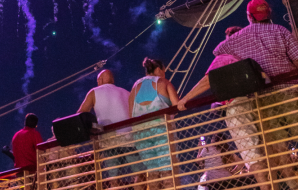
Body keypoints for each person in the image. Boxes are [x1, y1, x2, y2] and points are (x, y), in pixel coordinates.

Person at [213, 0, 298, 190]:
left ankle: (293, 187)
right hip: (290, 90)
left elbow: (218, 52)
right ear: (268, 14)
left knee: (278, 150)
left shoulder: (238, 38)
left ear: (249, 16)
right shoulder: (280, 30)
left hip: (262, 98)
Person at [177, 26, 269, 190]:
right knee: (268, 153)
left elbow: (208, 80)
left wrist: (185, 99)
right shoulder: (252, 55)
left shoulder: (226, 56)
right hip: (260, 105)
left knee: (252, 156)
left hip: (238, 107)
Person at [78, 69, 139, 185]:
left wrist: (93, 129)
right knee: (138, 173)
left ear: (99, 80)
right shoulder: (127, 92)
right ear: (113, 80)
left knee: (113, 176)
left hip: (108, 138)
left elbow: (81, 114)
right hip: (129, 136)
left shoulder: (94, 92)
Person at [130, 58, 179, 190]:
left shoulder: (135, 87)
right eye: (164, 71)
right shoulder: (163, 82)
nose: (164, 74)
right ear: (158, 70)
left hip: (141, 133)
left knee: (152, 171)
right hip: (161, 130)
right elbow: (177, 106)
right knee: (168, 169)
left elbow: (131, 114)